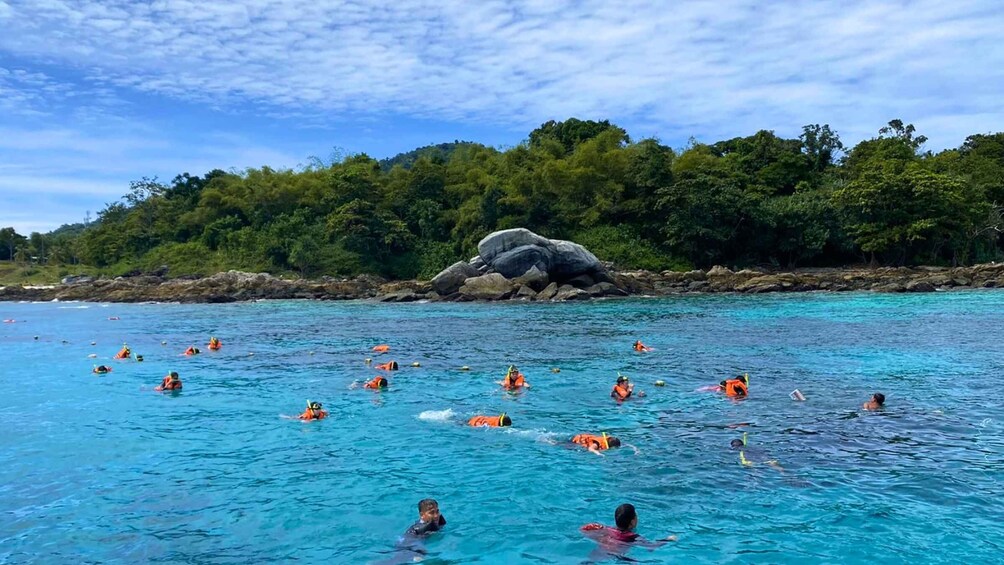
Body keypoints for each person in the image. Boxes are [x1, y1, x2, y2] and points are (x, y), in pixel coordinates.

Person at [580, 503, 676, 561]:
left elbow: (584, 530)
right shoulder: (633, 537)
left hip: (597, 554)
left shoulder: (607, 529)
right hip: (618, 556)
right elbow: (651, 546)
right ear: (633, 521)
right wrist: (668, 539)